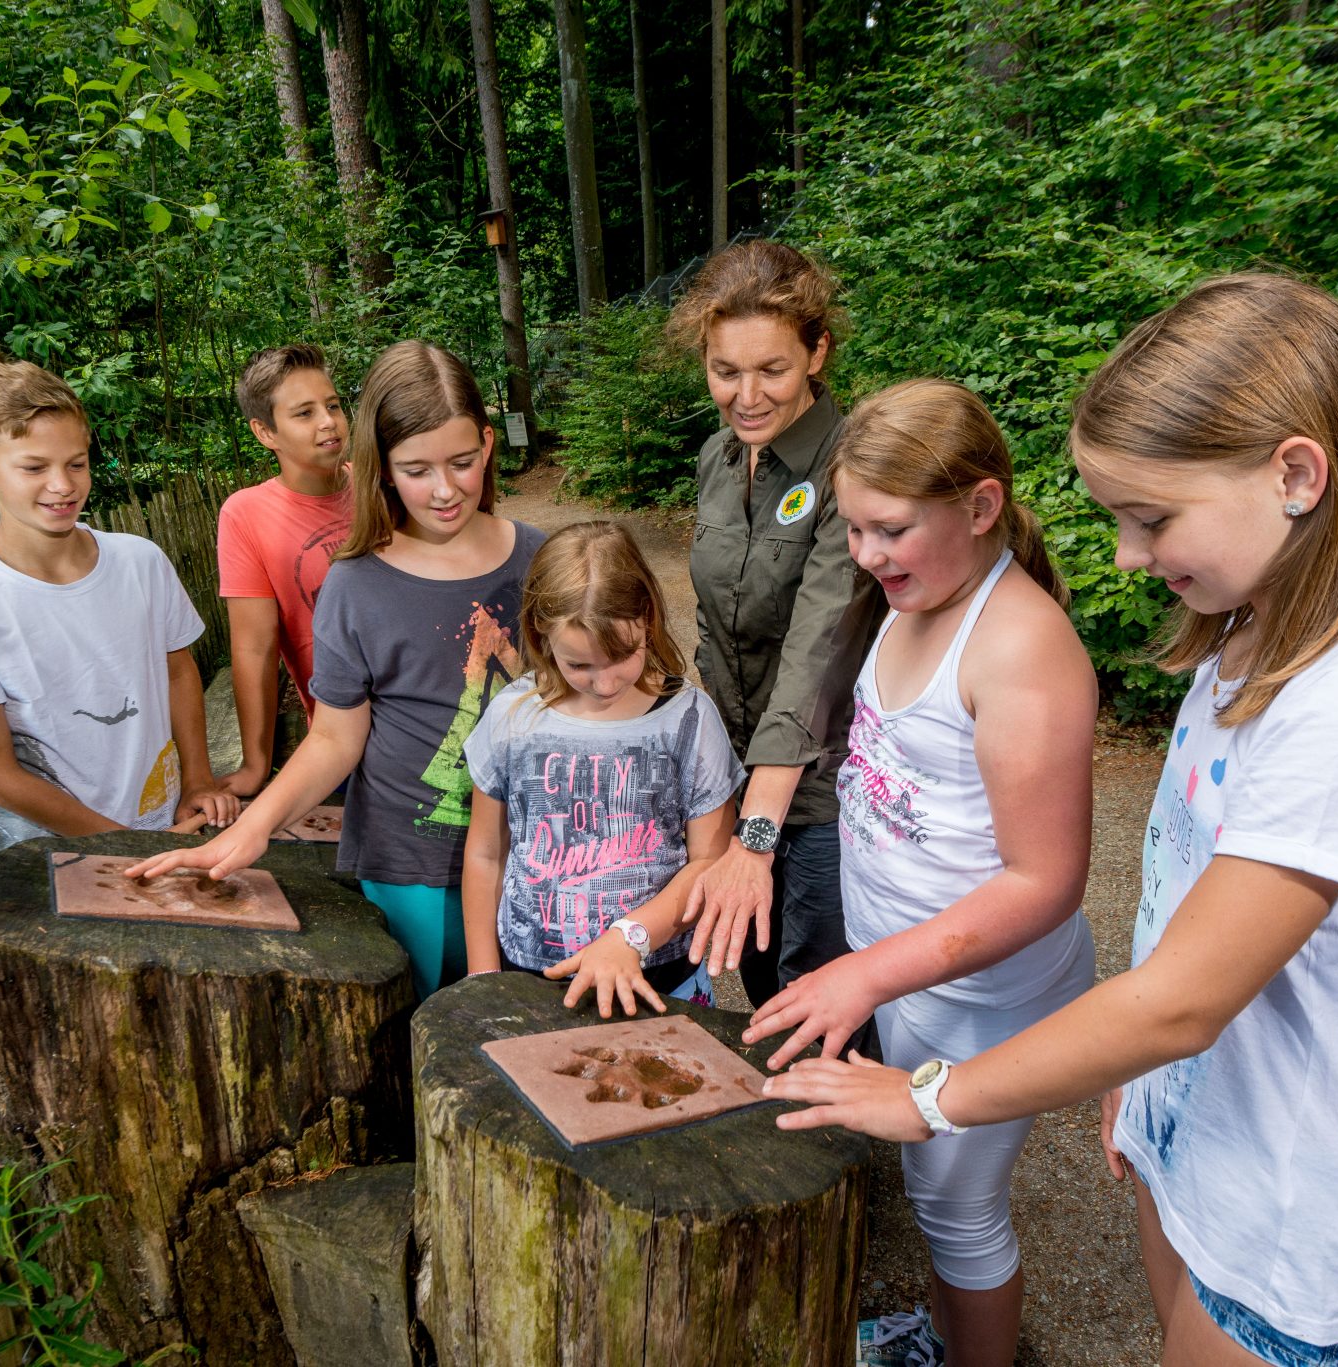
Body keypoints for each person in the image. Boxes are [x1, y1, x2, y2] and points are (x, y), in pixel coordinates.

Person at [766, 274, 1338, 1367]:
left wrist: (932, 1096)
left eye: (1149, 517)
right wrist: (1148, 1094)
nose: (1124, 554)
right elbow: (1185, 907)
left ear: (1295, 473)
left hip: (1294, 1224)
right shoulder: (1242, 641)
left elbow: (1175, 1000)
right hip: (1197, 1146)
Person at [743, 379, 1097, 1365]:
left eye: (888, 529)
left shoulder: (1021, 648)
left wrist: (864, 970)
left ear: (979, 507)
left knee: (955, 1209)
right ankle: (940, 1333)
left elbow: (1043, 880)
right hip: (911, 967)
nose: (864, 554)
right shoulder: (914, 594)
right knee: (929, 1177)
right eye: (852, 529)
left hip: (977, 991)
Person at [127, 341, 546, 998]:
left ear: (489, 445)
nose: (443, 490)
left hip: (533, 852)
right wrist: (252, 827)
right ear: (380, 468)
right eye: (416, 469)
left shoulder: (540, 560)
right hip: (413, 864)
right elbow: (334, 737)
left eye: (462, 463)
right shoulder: (355, 583)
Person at [670, 240, 883, 1008]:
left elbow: (817, 652)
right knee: (761, 992)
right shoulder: (717, 461)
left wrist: (753, 837)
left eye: (773, 369)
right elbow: (715, 627)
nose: (747, 395)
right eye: (726, 371)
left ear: (818, 350)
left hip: (828, 792)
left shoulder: (851, 463)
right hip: (739, 777)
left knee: (820, 1006)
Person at [0, 356, 238, 854]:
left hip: (168, 821)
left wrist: (197, 779)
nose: (63, 486)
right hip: (48, 856)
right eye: (34, 467)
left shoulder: (140, 561)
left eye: (76, 464)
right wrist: (124, 845)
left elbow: (177, 671)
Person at [462, 522, 743, 1018]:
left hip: (662, 980)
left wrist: (630, 937)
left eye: (623, 656)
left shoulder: (688, 717)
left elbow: (710, 861)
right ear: (541, 635)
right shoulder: (513, 714)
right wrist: (484, 977)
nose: (606, 682)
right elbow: (487, 852)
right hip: (531, 977)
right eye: (579, 665)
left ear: (648, 619)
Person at [216, 343, 352, 797]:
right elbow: (255, 649)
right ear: (265, 432)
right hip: (341, 739)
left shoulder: (383, 485)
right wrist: (256, 763)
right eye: (304, 413)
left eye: (332, 405)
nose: (328, 421)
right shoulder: (247, 515)